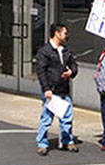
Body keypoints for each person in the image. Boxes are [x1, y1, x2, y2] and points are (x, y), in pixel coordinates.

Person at [34, 23, 79, 156]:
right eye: (65, 33)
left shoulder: (66, 51)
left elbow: (74, 65)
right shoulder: (45, 51)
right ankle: (42, 143)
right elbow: (41, 71)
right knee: (47, 118)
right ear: (57, 33)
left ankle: (67, 141)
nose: (67, 36)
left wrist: (72, 72)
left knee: (67, 117)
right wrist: (46, 88)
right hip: (52, 91)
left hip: (64, 89)